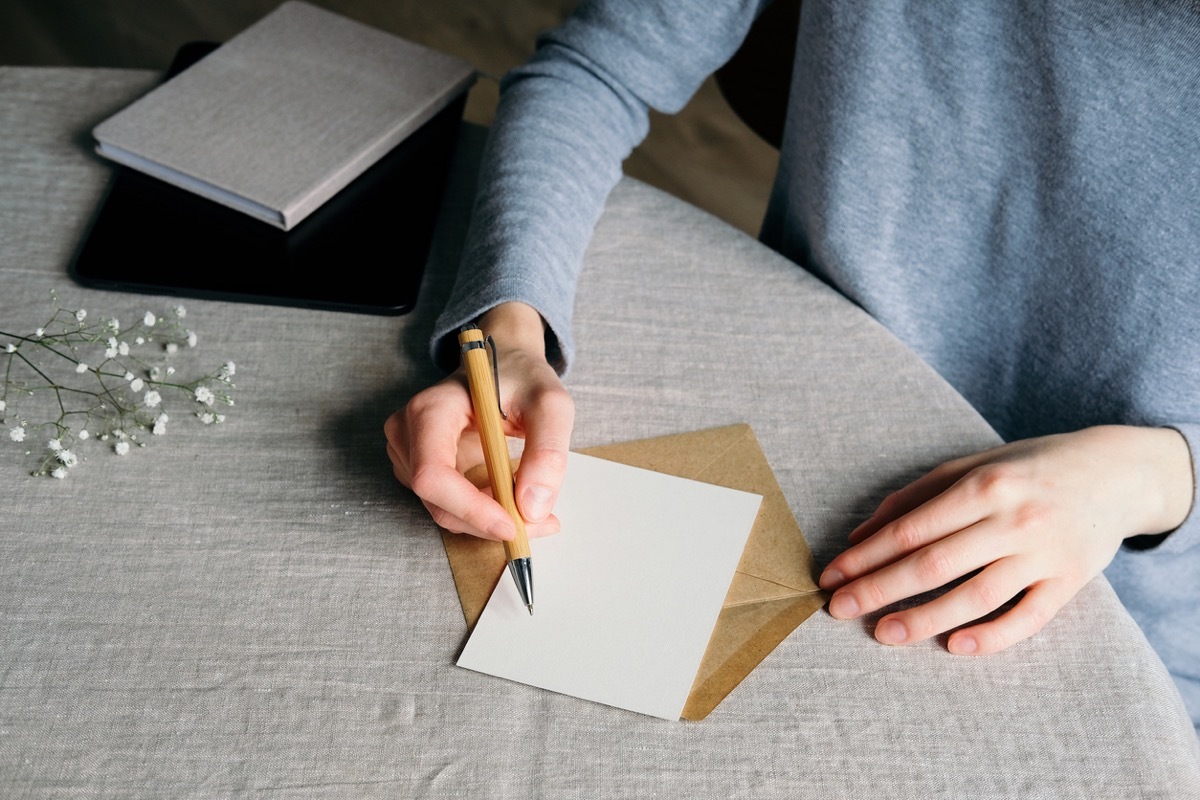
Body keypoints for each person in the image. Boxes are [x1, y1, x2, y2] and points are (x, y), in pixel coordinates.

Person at [385, 0, 1199, 730]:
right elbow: (596, 68)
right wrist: (513, 328)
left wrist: (1153, 477)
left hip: (1137, 586)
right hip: (800, 429)